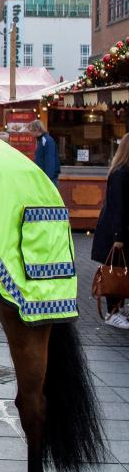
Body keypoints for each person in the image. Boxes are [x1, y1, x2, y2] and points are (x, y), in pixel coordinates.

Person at [91, 137, 129, 329]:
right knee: (114, 271)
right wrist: (118, 236)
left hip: (119, 231)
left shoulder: (121, 171)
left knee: (121, 271)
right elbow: (117, 207)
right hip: (116, 234)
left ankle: (118, 309)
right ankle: (111, 312)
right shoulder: (121, 173)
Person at [30, 119, 61, 186]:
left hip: (48, 178)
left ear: (37, 129)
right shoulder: (42, 140)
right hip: (44, 176)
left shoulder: (46, 140)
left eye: (31, 130)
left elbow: (50, 160)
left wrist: (48, 178)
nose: (31, 133)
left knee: (50, 196)